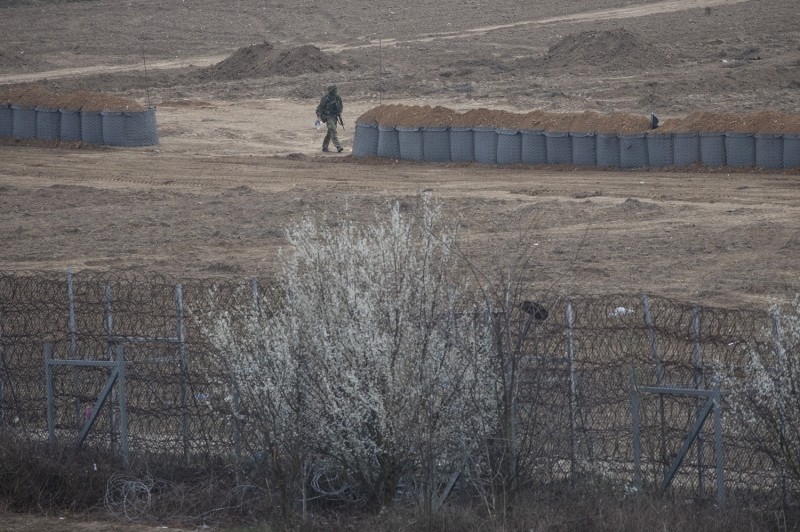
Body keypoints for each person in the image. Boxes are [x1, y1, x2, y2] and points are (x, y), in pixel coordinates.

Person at [316, 84, 344, 153]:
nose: (335, 91)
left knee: (330, 132)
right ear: (331, 91)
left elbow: (341, 105)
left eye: (336, 90)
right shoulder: (325, 98)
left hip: (335, 117)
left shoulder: (337, 97)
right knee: (333, 129)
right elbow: (319, 108)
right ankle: (338, 146)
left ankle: (325, 147)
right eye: (334, 90)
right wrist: (318, 117)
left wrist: (339, 112)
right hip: (328, 117)